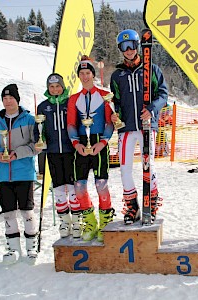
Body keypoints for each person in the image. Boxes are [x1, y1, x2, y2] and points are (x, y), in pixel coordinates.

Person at [110, 29, 168, 224]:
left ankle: (150, 202)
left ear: (138, 46)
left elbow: (163, 94)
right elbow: (116, 100)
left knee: (148, 165)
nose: (128, 50)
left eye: (132, 46)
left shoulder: (151, 69)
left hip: (146, 125)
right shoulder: (117, 75)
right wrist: (115, 113)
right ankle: (132, 205)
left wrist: (151, 109)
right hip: (126, 128)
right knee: (124, 168)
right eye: (124, 47)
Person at [0, 84, 39, 265]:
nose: (8, 102)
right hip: (3, 175)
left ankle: (31, 247)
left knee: (27, 211)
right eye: (5, 99)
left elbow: (36, 146)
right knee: (8, 213)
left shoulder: (29, 120)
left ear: (17, 100)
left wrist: (17, 153)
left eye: (11, 98)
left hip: (23, 173)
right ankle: (13, 248)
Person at [67, 55, 115, 242]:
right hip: (80, 143)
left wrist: (102, 142)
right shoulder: (73, 99)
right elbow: (70, 124)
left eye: (88, 73)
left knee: (100, 184)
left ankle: (105, 221)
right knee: (79, 185)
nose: (85, 76)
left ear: (93, 75)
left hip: (99, 142)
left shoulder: (104, 96)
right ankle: (89, 222)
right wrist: (76, 144)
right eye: (82, 73)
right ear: (78, 76)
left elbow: (110, 122)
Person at [34, 73, 82, 239]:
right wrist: (39, 141)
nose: (55, 89)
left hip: (70, 151)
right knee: (58, 187)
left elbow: (79, 124)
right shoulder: (42, 107)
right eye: (51, 87)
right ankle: (64, 220)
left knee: (73, 186)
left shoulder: (71, 103)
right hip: (53, 152)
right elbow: (38, 129)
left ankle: (77, 221)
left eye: (57, 86)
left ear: (63, 86)